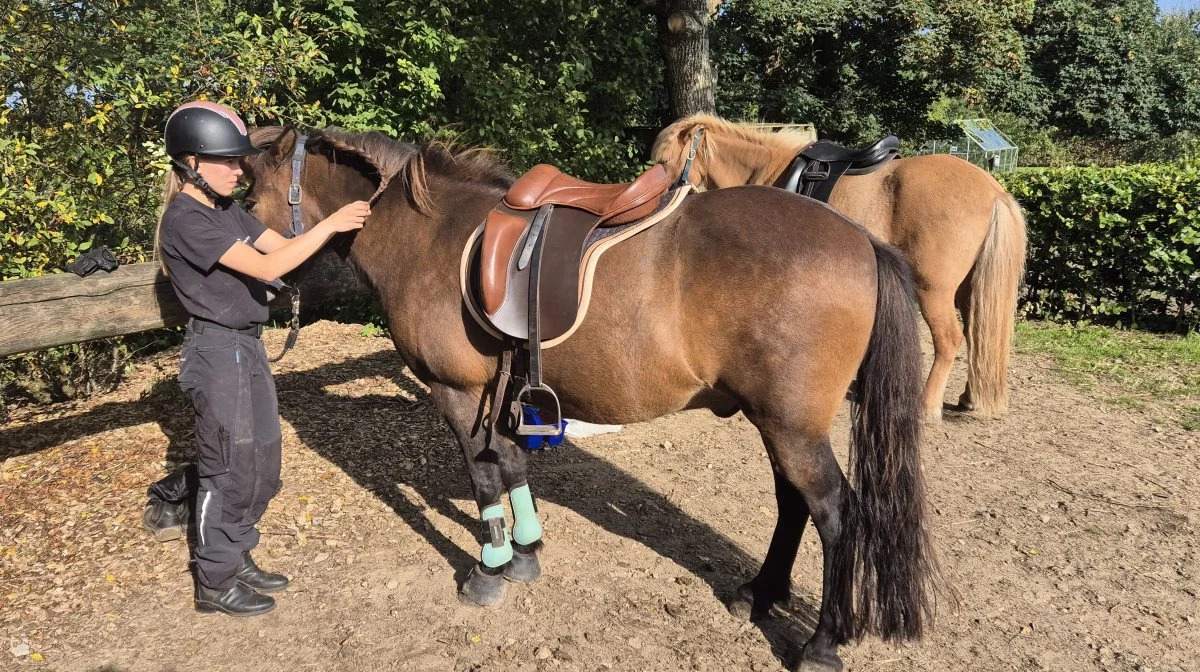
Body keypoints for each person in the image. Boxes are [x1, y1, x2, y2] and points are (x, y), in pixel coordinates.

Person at [141, 100, 370, 616]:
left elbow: (282, 243)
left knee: (262, 459)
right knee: (229, 464)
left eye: (237, 159)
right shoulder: (185, 220)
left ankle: (237, 552)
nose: (238, 168)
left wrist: (335, 225)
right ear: (190, 164)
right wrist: (331, 223)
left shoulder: (226, 212)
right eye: (224, 160)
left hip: (246, 346)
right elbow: (269, 263)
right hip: (216, 349)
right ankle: (214, 580)